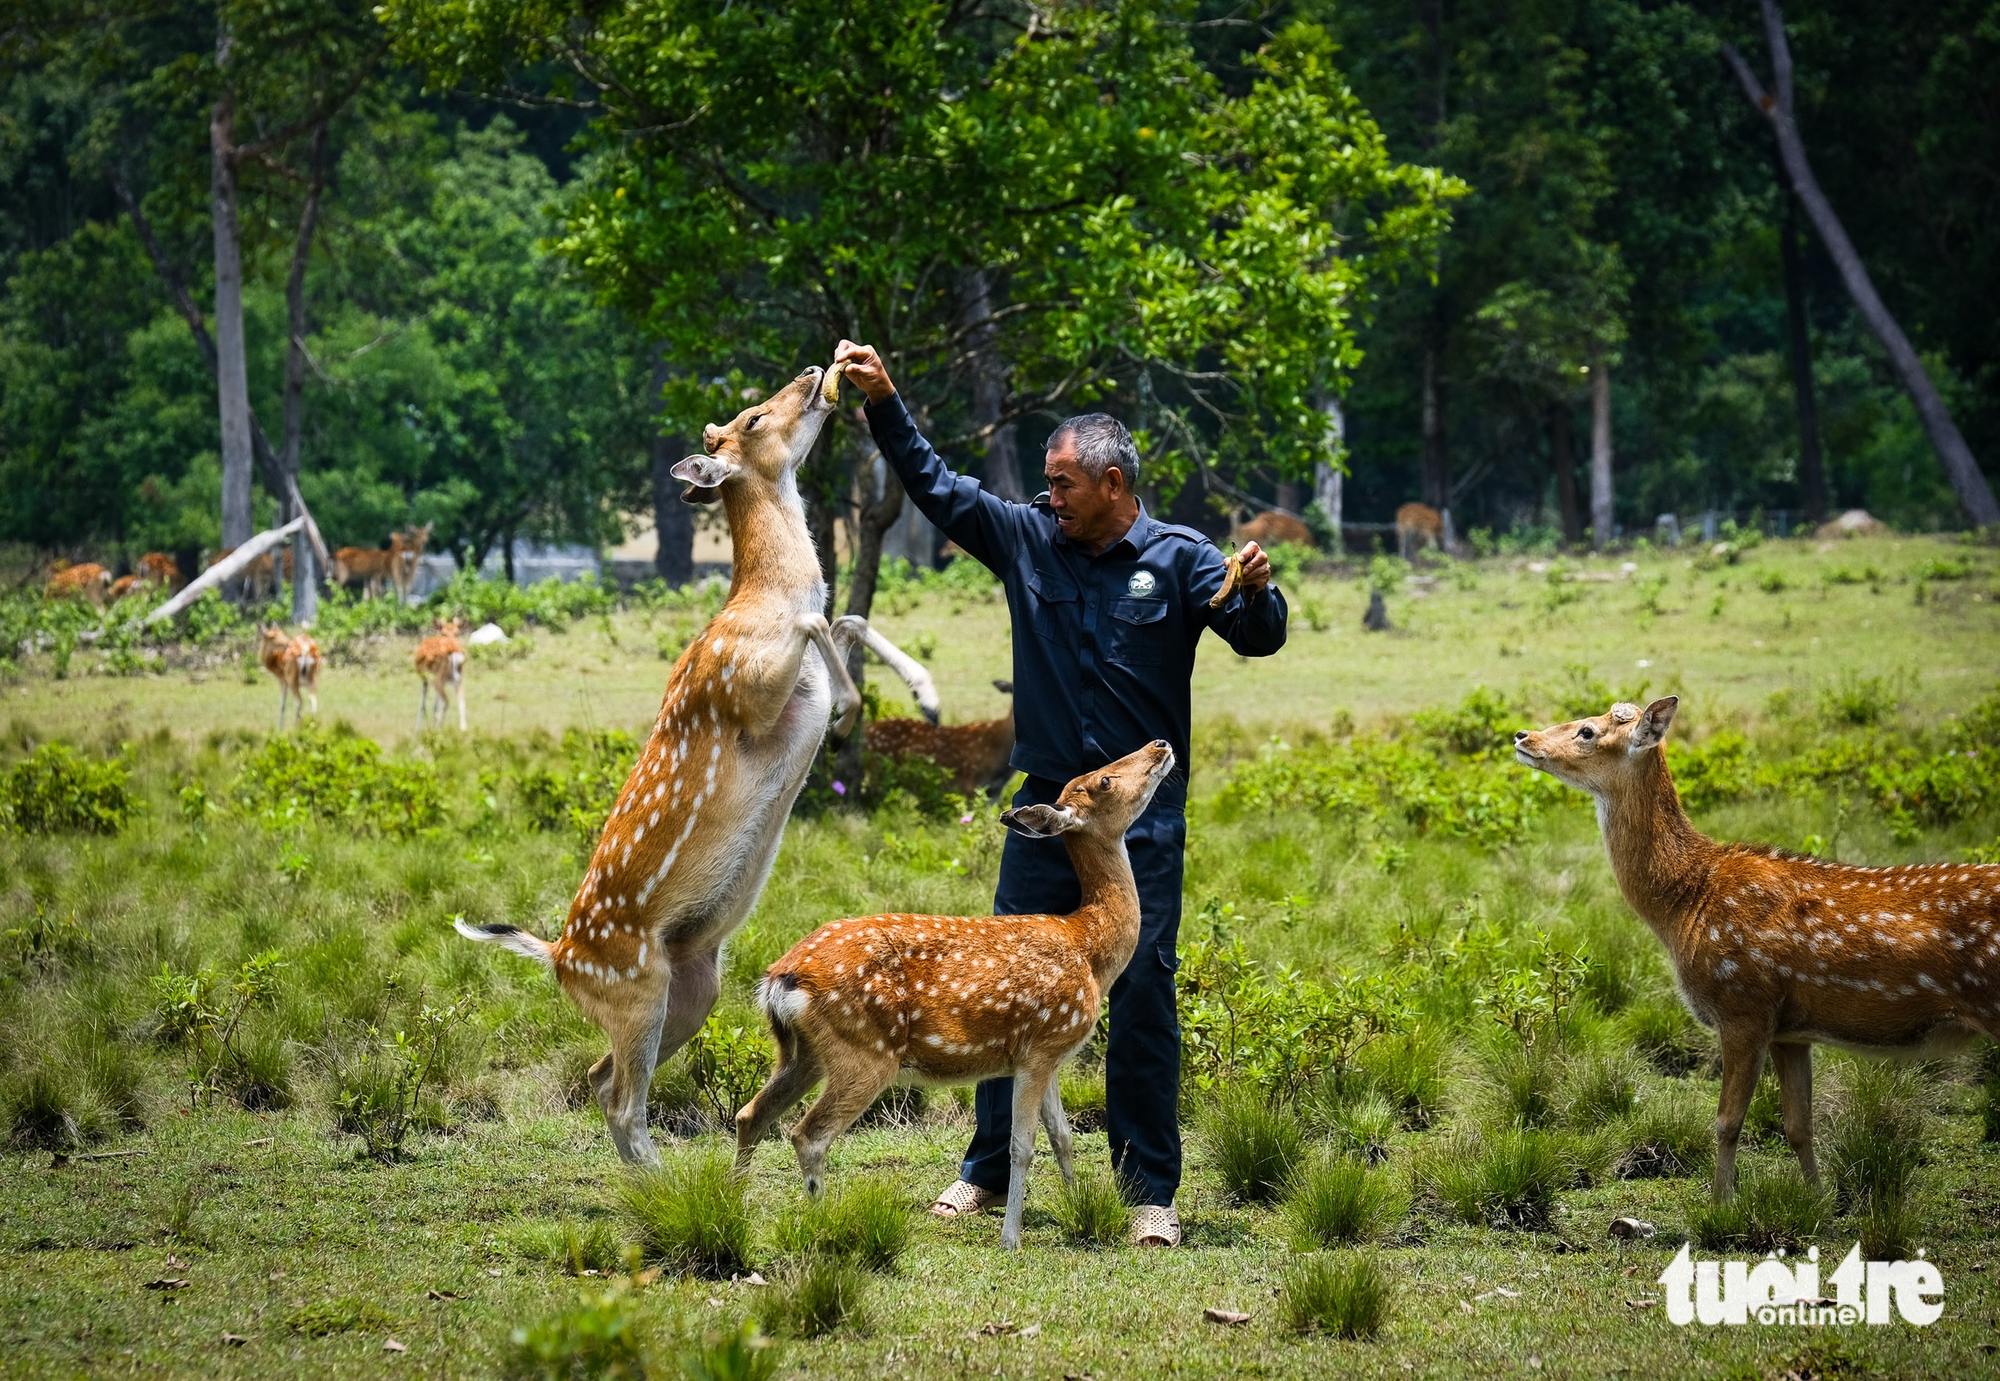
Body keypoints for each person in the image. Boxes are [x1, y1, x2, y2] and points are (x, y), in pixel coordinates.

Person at [832, 339, 1289, 1247]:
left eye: (1066, 482)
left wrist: (1260, 595)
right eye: (1046, 480)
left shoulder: (1182, 556)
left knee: (1144, 991)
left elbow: (1256, 636)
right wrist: (885, 401)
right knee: (1004, 980)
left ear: (1115, 484)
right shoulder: (1026, 536)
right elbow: (937, 486)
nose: (1050, 494)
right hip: (1045, 813)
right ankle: (985, 1168)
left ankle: (1147, 1189)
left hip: (1134, 824)